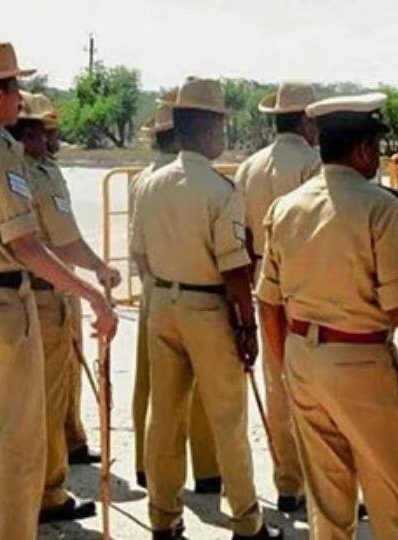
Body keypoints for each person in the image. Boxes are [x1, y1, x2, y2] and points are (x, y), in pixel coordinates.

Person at [0, 42, 117, 540]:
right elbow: (25, 245)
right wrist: (91, 294)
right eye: (13, 88)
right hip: (3, 303)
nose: (19, 98)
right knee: (17, 441)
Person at [131, 77, 282, 540]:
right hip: (207, 308)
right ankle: (246, 520)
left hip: (161, 302)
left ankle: (163, 517)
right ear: (207, 129)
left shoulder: (149, 184)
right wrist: (248, 328)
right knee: (228, 418)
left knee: (165, 417)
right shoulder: (220, 191)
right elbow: (235, 274)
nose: (223, 137)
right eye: (220, 127)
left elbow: (139, 254)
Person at [257, 92, 398, 540]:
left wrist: (284, 369)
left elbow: (268, 302)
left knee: (327, 497)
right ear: (361, 151)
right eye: (375, 148)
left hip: (301, 356)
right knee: (390, 486)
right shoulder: (382, 208)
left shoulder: (286, 207)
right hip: (360, 361)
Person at [7, 91, 120, 523]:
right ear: (31, 134)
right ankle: (49, 491)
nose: (54, 140)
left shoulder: (5, 166)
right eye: (48, 131)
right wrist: (98, 270)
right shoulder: (34, 174)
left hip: (16, 294)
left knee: (18, 399)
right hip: (43, 292)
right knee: (47, 399)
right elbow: (65, 240)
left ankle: (5, 485)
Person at [234, 82, 321, 512]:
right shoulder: (313, 164)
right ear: (307, 121)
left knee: (277, 381)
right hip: (308, 284)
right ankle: (322, 483)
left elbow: (242, 233)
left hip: (263, 281)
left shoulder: (248, 167)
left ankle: (288, 483)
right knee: (318, 387)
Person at [131, 90, 220, 491]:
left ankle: (148, 467)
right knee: (202, 388)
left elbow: (139, 251)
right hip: (200, 292)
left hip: (157, 290)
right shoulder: (205, 180)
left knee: (152, 389)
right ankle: (207, 468)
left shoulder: (144, 180)